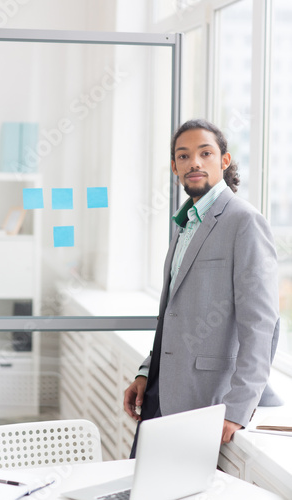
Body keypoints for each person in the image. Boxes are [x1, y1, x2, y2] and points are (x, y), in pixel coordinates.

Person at [124, 119, 281, 457]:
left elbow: (260, 325)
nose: (193, 162)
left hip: (205, 403)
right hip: (158, 395)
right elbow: (175, 315)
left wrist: (238, 409)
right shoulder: (186, 223)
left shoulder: (244, 222)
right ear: (174, 167)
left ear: (224, 161)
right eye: (183, 156)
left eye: (204, 153)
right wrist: (146, 373)